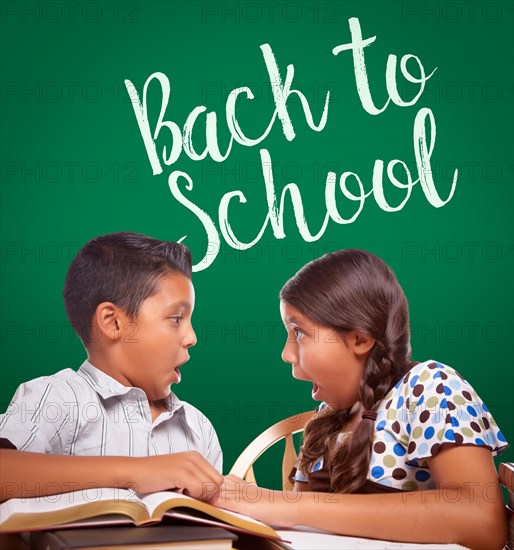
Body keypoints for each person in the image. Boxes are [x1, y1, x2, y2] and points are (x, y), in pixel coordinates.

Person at [212, 249, 509, 549]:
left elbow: (481, 519)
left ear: (360, 338)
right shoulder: (326, 419)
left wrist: (290, 505)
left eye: (298, 332)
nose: (286, 354)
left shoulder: (431, 387)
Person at [0, 233, 223, 502]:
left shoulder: (198, 427)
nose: (191, 337)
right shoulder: (58, 398)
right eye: (176, 318)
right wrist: (136, 472)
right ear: (113, 323)